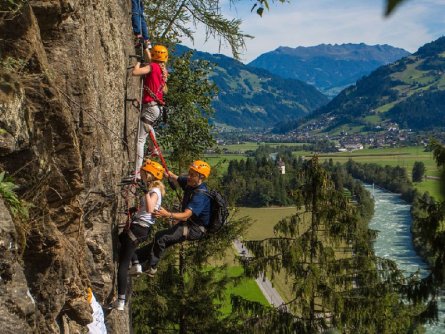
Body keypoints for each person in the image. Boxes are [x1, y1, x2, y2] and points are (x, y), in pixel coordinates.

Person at [137, 160, 212, 276]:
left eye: (193, 175)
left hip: (195, 229)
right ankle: (136, 257)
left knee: (161, 238)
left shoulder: (200, 195)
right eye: (189, 173)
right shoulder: (190, 182)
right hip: (189, 224)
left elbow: (186, 215)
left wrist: (168, 214)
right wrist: (162, 171)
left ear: (201, 177)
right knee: (160, 241)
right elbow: (174, 177)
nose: (189, 176)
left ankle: (151, 268)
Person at [112, 159, 165, 311]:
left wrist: (145, 191)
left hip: (139, 228)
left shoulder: (153, 191)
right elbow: (147, 209)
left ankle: (120, 301)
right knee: (122, 239)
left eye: (142, 172)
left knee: (122, 264)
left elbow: (149, 209)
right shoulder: (153, 191)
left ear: (149, 175)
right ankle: (136, 265)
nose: (140, 174)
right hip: (142, 229)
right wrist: (135, 209)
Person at [132, 45, 169, 178]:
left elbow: (135, 72)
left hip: (150, 108)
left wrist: (137, 63)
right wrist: (147, 49)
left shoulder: (152, 67)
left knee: (140, 141)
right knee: (148, 128)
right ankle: (154, 149)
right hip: (156, 108)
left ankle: (136, 173)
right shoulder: (163, 71)